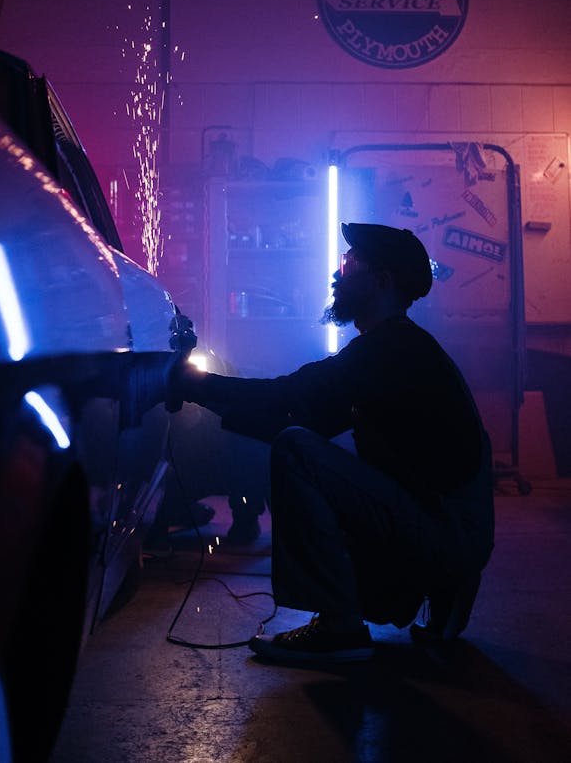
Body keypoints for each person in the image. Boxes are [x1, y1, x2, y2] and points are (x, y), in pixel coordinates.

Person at [165, 222, 494, 666]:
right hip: (449, 530)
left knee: (296, 451)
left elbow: (288, 397)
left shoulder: (389, 350)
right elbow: (303, 415)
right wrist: (207, 398)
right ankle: (436, 587)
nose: (338, 274)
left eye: (350, 264)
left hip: (446, 535)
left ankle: (340, 627)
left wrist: (195, 385)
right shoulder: (400, 347)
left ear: (381, 281)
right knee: (297, 445)